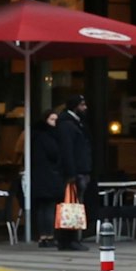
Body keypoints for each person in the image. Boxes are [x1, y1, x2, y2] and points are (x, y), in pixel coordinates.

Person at [56, 95, 94, 252]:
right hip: (75, 172)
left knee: (75, 205)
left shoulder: (75, 123)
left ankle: (71, 238)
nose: (85, 108)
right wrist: (71, 173)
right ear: (75, 106)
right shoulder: (67, 125)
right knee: (73, 206)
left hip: (80, 170)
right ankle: (70, 238)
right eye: (82, 105)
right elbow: (67, 151)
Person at [31, 108, 67, 249]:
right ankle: (49, 236)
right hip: (49, 176)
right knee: (49, 207)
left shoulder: (36, 136)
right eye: (52, 119)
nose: (55, 123)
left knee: (42, 208)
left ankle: (43, 236)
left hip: (40, 176)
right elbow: (54, 154)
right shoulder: (49, 137)